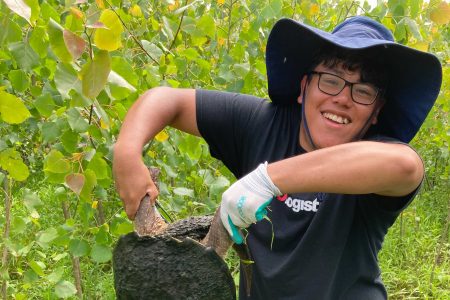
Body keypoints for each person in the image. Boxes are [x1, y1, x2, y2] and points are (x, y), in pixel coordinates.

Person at [113, 16, 442, 299]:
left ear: (375, 113)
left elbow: (405, 166)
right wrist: (127, 152)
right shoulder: (261, 123)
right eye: (330, 81)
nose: (343, 98)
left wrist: (266, 180)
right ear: (303, 88)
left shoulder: (375, 154)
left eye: (363, 91)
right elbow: (167, 100)